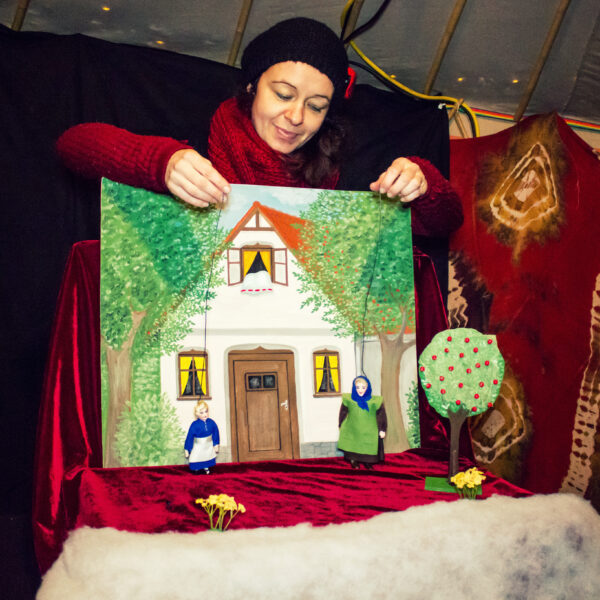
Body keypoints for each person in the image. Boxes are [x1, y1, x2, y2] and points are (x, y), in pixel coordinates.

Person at [55, 17, 463, 239]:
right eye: (283, 94)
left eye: (316, 106)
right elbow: (73, 145)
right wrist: (162, 162)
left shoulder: (338, 181)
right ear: (252, 86)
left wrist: (421, 181)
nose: (296, 116)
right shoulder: (197, 145)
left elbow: (444, 223)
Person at [338, 376, 386, 469]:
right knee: (352, 444)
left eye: (363, 387)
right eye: (358, 387)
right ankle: (353, 460)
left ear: (367, 388)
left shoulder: (374, 402)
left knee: (368, 445)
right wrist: (340, 423)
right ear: (354, 388)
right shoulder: (349, 400)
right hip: (352, 428)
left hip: (369, 429)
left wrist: (382, 429)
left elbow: (381, 415)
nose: (360, 390)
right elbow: (343, 411)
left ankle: (367, 461)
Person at [184, 400, 220, 474]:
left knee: (207, 456)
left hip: (208, 445)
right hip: (198, 445)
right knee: (196, 456)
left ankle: (206, 467)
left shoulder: (211, 422)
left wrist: (216, 444)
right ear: (197, 414)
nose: (205, 414)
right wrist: (187, 449)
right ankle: (197, 468)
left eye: (206, 411)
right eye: (201, 413)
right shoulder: (194, 424)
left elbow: (215, 433)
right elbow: (189, 437)